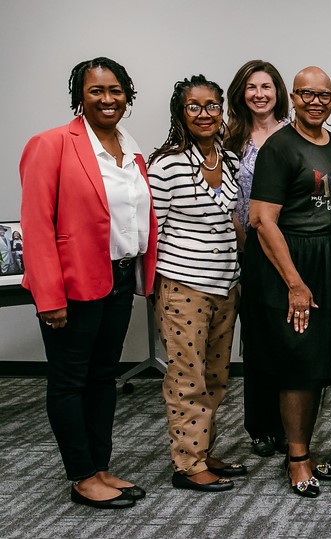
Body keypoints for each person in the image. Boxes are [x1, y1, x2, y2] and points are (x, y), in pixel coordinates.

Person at [19, 57, 156, 509]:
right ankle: (80, 475)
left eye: (115, 90)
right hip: (71, 286)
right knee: (69, 381)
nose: (107, 99)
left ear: (127, 95)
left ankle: (100, 466)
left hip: (117, 278)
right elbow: (37, 226)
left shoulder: (132, 153)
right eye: (96, 90)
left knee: (103, 377)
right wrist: (48, 296)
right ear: (80, 95)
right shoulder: (52, 144)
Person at [245, 66, 331, 498]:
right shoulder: (279, 147)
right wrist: (295, 283)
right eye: (307, 94)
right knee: (298, 363)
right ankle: (297, 457)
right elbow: (262, 221)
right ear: (295, 96)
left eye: (324, 95)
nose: (316, 102)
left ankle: (305, 446)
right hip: (292, 263)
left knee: (322, 361)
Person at [148, 75, 244, 492]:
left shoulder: (232, 160)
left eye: (212, 106)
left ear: (222, 111)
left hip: (226, 285)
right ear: (180, 113)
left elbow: (235, 221)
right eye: (194, 106)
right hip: (183, 286)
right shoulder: (166, 164)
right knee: (188, 378)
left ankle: (202, 450)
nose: (204, 114)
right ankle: (188, 465)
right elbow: (153, 231)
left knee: (216, 376)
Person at [224, 60, 291, 458]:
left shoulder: (293, 136)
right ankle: (260, 427)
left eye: (267, 86)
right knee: (258, 342)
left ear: (278, 91)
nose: (260, 94)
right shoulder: (229, 139)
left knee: (288, 340)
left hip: (288, 252)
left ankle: (289, 426)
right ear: (241, 93)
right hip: (249, 253)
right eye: (252, 87)